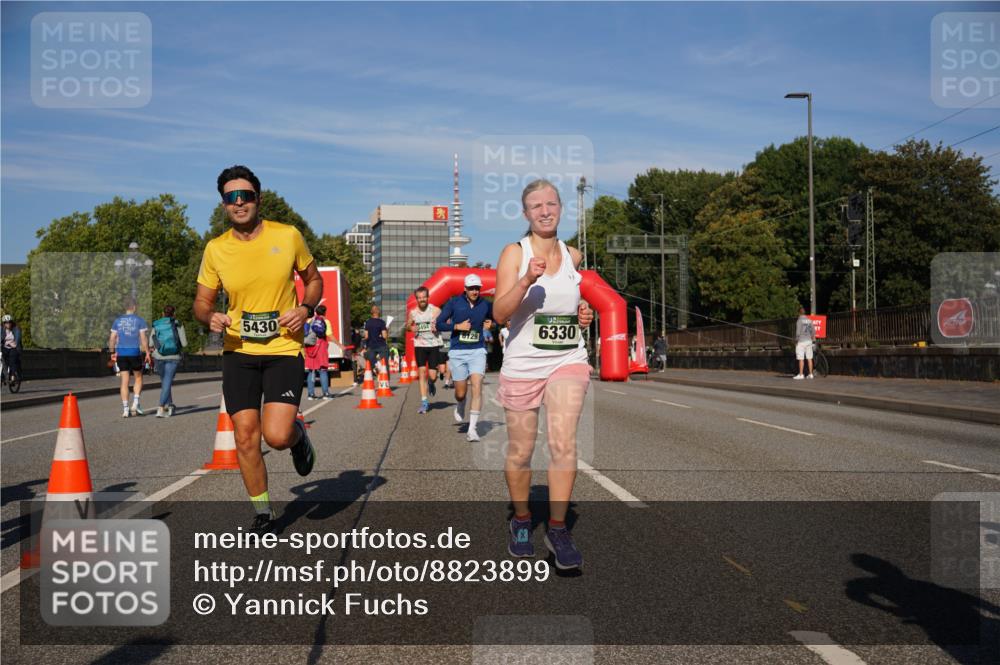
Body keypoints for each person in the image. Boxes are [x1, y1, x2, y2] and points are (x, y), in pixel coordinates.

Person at [194, 165, 322, 533]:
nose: (239, 203)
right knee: (245, 435)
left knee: (276, 436)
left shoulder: (288, 235)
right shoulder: (216, 249)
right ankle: (263, 513)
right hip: (239, 352)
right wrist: (211, 318)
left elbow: (313, 280)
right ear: (223, 205)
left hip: (283, 348)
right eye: (231, 198)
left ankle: (298, 437)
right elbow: (201, 302)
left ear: (257, 199)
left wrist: (305, 309)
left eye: (245, 196)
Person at [492, 179, 594, 570]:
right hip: (522, 365)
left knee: (563, 443)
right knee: (520, 451)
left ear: (561, 208)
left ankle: (557, 528)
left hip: (567, 359)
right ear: (526, 214)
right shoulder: (513, 253)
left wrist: (581, 315)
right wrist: (525, 280)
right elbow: (500, 314)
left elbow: (567, 304)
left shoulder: (573, 254)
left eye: (551, 203)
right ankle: (521, 520)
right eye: (536, 206)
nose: (545, 210)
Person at [436, 274, 493, 441]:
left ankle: (472, 429)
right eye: (471, 288)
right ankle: (460, 403)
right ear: (465, 289)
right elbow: (439, 323)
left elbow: (499, 318)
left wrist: (492, 323)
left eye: (477, 288)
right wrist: (456, 326)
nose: (475, 291)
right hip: (458, 352)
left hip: (478, 350)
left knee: (477, 386)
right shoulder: (454, 303)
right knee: (461, 393)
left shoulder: (485, 304)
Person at [109, 298, 150, 418]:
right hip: (134, 353)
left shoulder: (117, 321)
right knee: (138, 378)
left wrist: (112, 352)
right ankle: (135, 403)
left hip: (121, 354)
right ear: (134, 307)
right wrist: (147, 352)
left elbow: (112, 338)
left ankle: (125, 409)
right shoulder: (139, 320)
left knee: (124, 382)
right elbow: (143, 338)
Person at [407, 286, 445, 414]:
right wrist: (411, 328)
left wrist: (437, 326)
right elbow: (408, 325)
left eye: (424, 297)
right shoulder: (413, 312)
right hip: (420, 345)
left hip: (434, 344)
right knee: (422, 371)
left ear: (428, 297)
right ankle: (424, 402)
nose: (422, 299)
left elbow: (444, 322)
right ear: (416, 299)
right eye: (419, 298)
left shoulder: (436, 310)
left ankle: (431, 382)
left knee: (433, 376)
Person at [150, 305, 187, 417]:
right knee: (167, 382)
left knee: (165, 382)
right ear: (173, 314)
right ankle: (161, 408)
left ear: (163, 313)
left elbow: (151, 343)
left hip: (159, 357)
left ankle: (170, 405)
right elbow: (184, 343)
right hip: (174, 357)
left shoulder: (157, 324)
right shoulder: (178, 324)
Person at [305, 304, 337, 400]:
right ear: (325, 312)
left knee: (311, 370)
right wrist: (339, 345)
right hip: (321, 346)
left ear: (316, 312)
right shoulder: (325, 321)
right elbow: (329, 334)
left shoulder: (310, 321)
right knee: (323, 370)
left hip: (310, 347)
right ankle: (325, 393)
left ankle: (310, 394)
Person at [363, 305, 389, 372]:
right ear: (379, 312)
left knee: (371, 364)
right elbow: (384, 336)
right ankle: (385, 379)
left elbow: (366, 336)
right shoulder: (381, 322)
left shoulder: (368, 322)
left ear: (371, 312)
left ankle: (376, 366)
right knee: (385, 365)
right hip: (381, 345)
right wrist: (387, 330)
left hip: (371, 346)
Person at [794, 306, 816, 379]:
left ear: (799, 313)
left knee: (801, 358)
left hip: (801, 341)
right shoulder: (809, 320)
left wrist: (796, 340)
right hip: (809, 341)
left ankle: (801, 374)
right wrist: (813, 339)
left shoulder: (799, 320)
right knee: (809, 358)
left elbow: (798, 332)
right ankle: (810, 374)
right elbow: (813, 331)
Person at [1, 315, 23, 383]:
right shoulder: (2, 329)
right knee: (4, 360)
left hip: (14, 348)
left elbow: (17, 338)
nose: (8, 324)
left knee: (12, 360)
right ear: (4, 323)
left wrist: (15, 344)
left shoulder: (16, 329)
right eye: (6, 323)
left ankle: (13, 376)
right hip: (5, 347)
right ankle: (3, 375)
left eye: (9, 322)